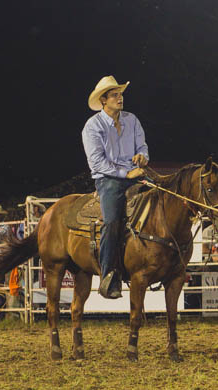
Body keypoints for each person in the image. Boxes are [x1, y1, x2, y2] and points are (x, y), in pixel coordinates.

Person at [82, 76, 149, 299]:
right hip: (108, 179)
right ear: (103, 100)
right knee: (111, 221)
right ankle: (108, 275)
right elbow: (97, 162)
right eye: (114, 95)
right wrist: (125, 173)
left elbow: (142, 146)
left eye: (120, 94)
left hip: (134, 174)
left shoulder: (132, 120)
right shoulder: (93, 126)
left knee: (161, 201)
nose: (120, 98)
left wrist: (142, 157)